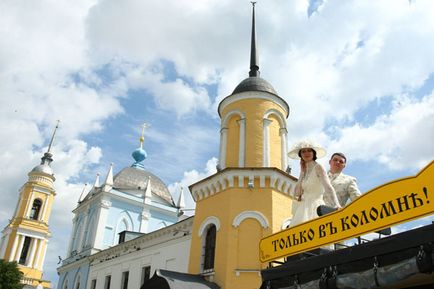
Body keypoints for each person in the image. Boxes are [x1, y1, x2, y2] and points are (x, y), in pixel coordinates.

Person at [288, 141, 341, 227]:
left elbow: (328, 187)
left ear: (313, 153)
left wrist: (336, 204)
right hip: (302, 209)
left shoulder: (318, 167)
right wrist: (302, 172)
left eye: (309, 150)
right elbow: (297, 194)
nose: (306, 153)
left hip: (316, 207)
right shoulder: (304, 172)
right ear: (300, 155)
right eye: (303, 151)